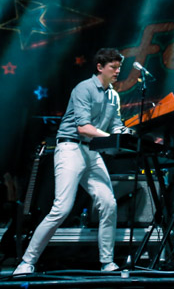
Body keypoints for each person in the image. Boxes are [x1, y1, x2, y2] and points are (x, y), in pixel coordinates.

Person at [14, 48, 131, 274]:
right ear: (100, 67)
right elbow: (83, 127)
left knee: (108, 203)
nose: (118, 71)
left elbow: (116, 124)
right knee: (62, 208)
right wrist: (113, 137)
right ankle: (26, 262)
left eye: (119, 67)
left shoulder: (113, 96)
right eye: (113, 67)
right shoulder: (84, 88)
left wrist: (125, 133)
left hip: (92, 151)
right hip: (70, 147)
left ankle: (107, 263)